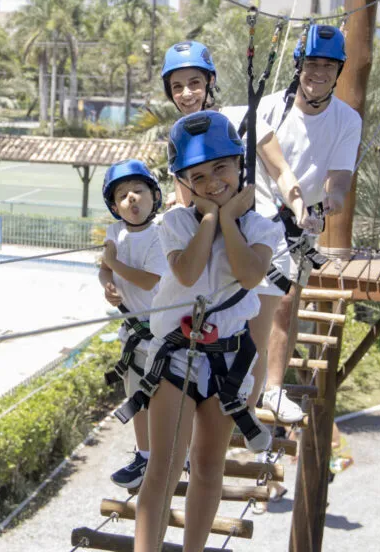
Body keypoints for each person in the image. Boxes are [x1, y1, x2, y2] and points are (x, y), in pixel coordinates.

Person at [134, 111, 279, 552]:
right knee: (163, 466)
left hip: (227, 362)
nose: (213, 181)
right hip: (178, 355)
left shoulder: (260, 227)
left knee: (208, 465)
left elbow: (251, 275)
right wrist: (215, 217)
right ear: (183, 183)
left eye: (222, 168)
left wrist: (231, 219)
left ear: (239, 167)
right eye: (199, 175)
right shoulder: (175, 224)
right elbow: (190, 270)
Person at [160, 40, 311, 419]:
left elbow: (279, 169)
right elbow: (187, 199)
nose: (187, 94)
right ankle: (217, 424)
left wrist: (298, 206)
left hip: (258, 237)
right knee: (221, 340)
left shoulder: (246, 116)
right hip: (217, 248)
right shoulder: (180, 136)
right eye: (177, 87)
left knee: (253, 342)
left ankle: (250, 410)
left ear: (210, 81)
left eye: (194, 82)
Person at [255, 24, 362, 423]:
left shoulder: (346, 120)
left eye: (328, 66)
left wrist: (332, 199)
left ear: (339, 72)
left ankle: (273, 389)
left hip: (299, 221)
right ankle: (240, 383)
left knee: (285, 304)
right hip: (257, 213)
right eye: (312, 63)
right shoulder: (268, 108)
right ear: (298, 65)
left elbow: (340, 175)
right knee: (241, 301)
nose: (319, 73)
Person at [98, 159, 167, 489]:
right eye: (123, 196)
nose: (132, 199)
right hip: (133, 331)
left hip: (164, 331)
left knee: (168, 396)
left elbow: (147, 279)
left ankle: (174, 453)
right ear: (114, 206)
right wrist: (107, 283)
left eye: (139, 191)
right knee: (137, 396)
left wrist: (114, 265)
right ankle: (145, 455)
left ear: (154, 196)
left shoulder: (160, 234)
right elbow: (106, 267)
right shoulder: (114, 232)